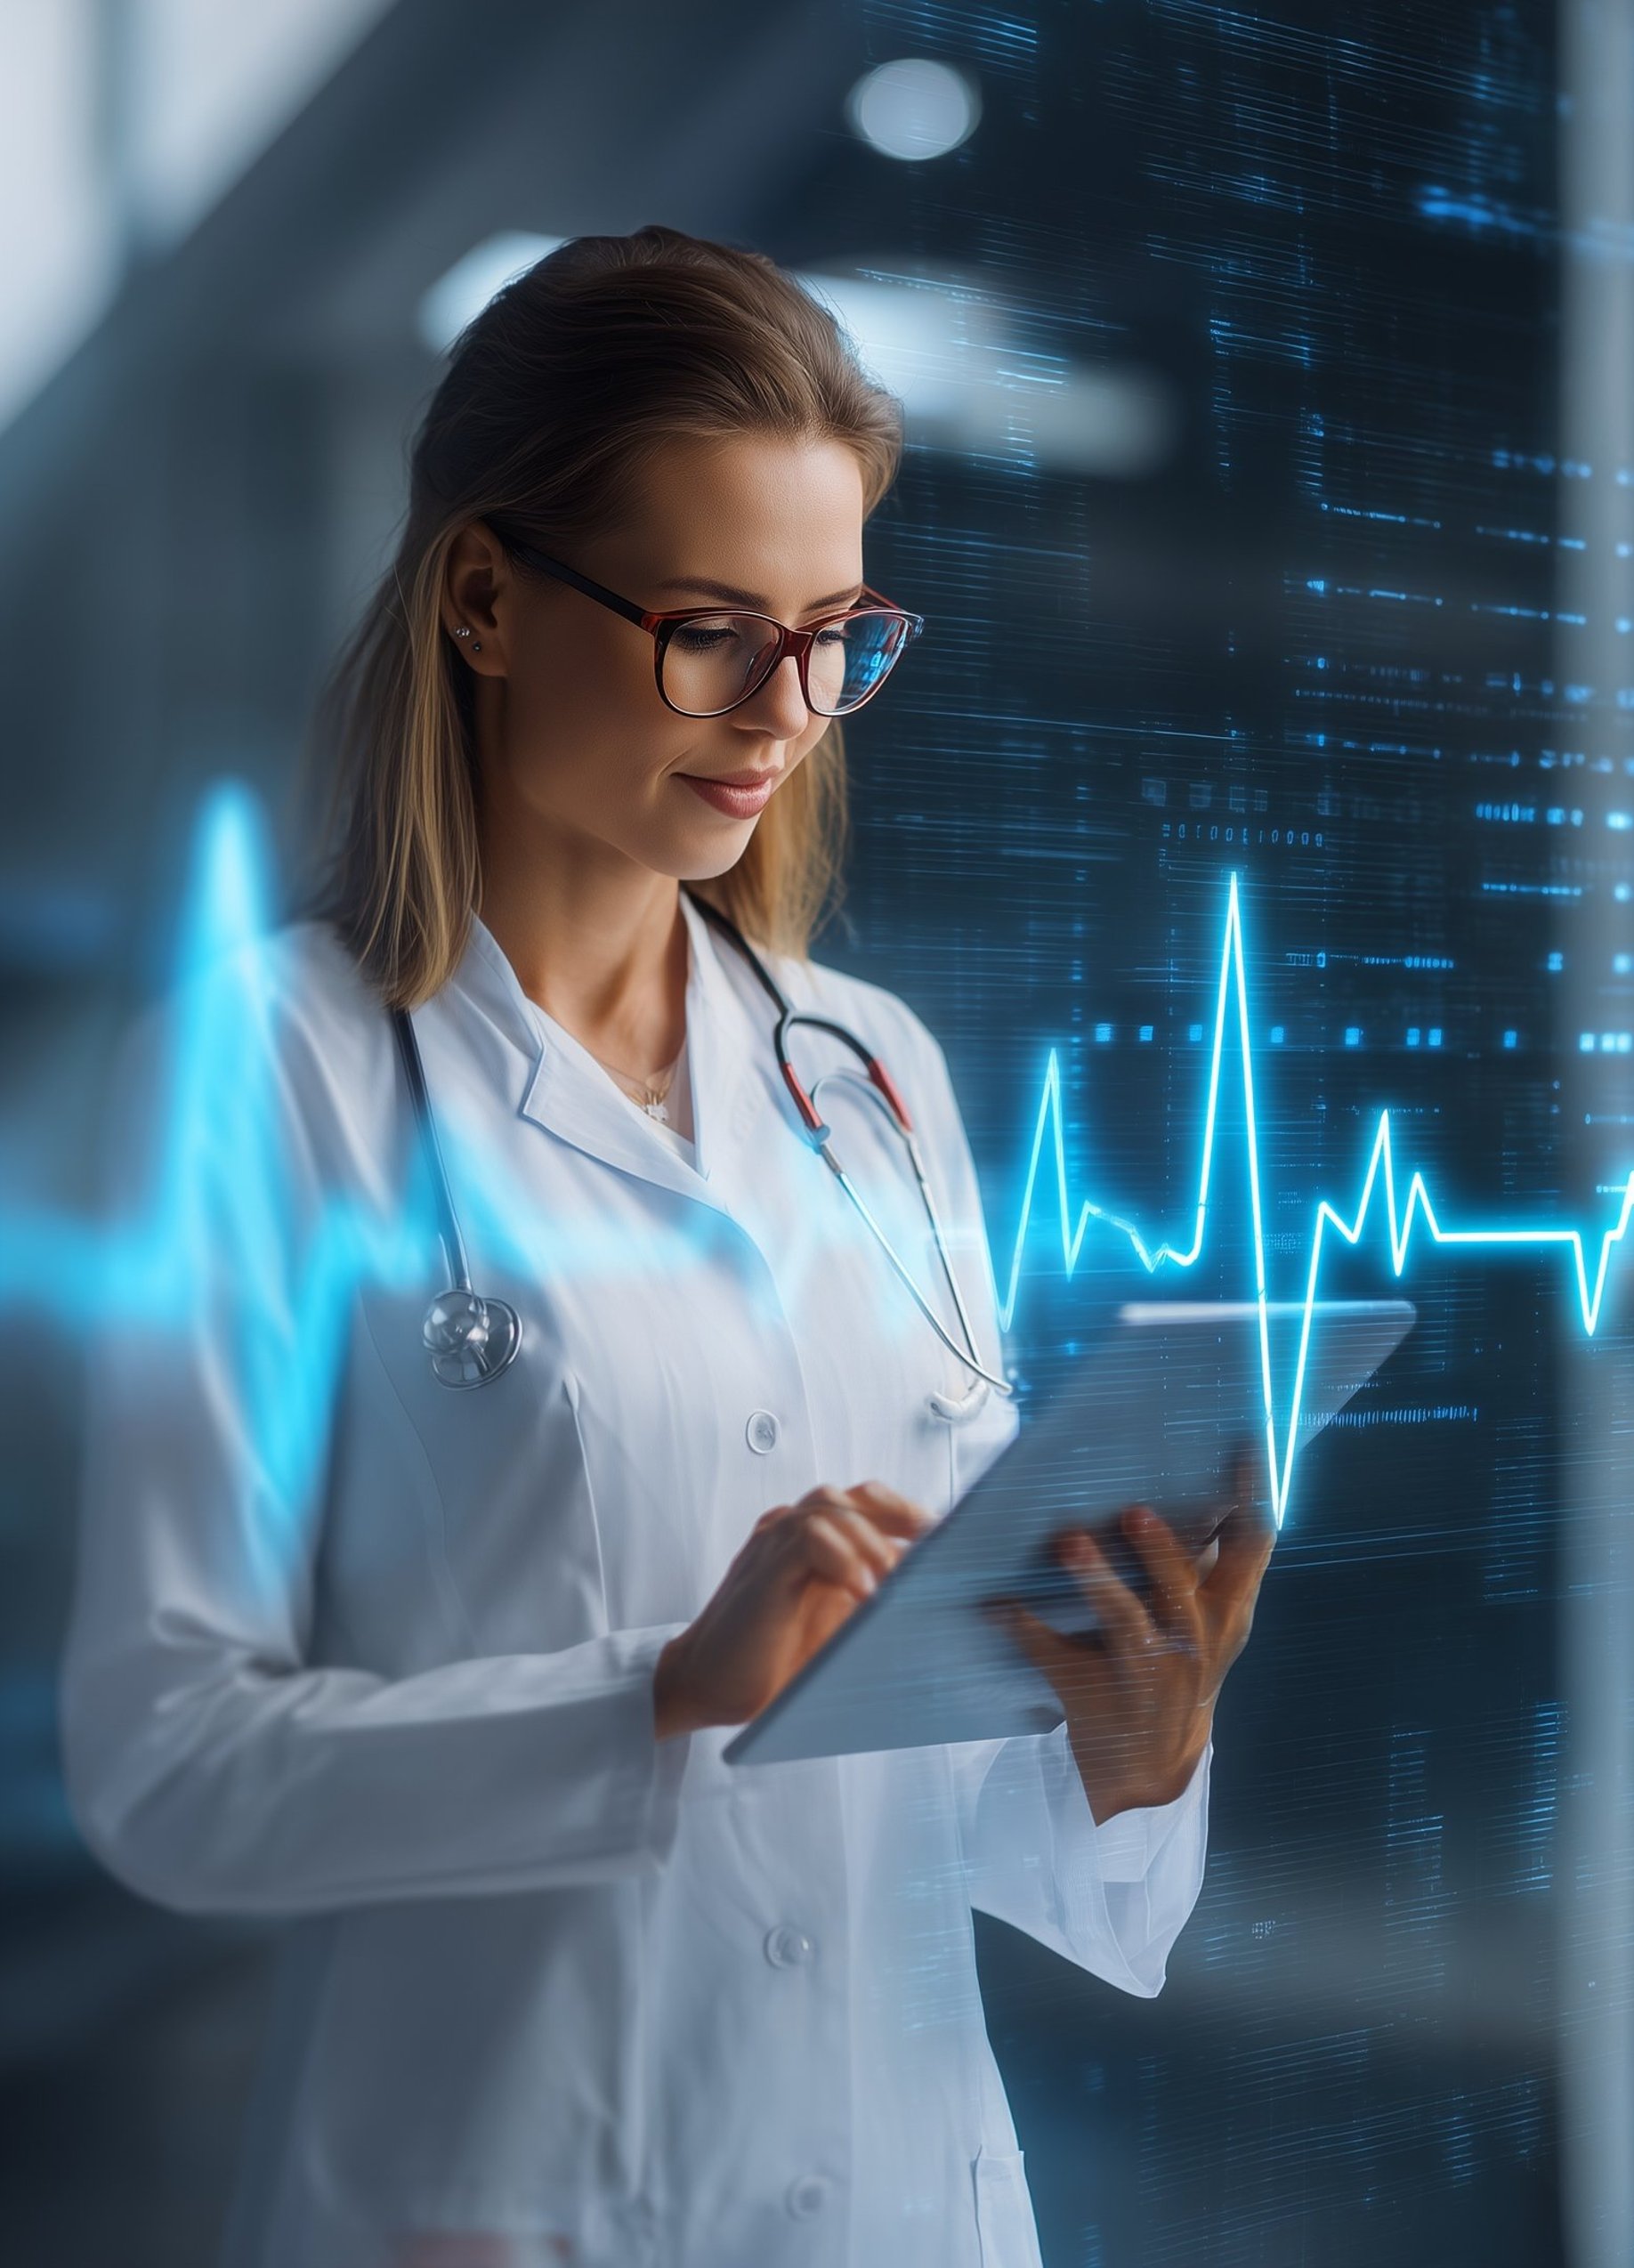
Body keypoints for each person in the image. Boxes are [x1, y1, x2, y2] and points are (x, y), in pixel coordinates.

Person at [59, 225, 1274, 2268]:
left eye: (837, 635)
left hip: (906, 2196)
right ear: (482, 596)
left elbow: (933, 1744)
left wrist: (1127, 1749)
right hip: (508, 2203)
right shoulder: (273, 1072)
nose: (786, 711)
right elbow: (168, 1765)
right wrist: (660, 1689)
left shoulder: (868, 1071)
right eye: (712, 629)